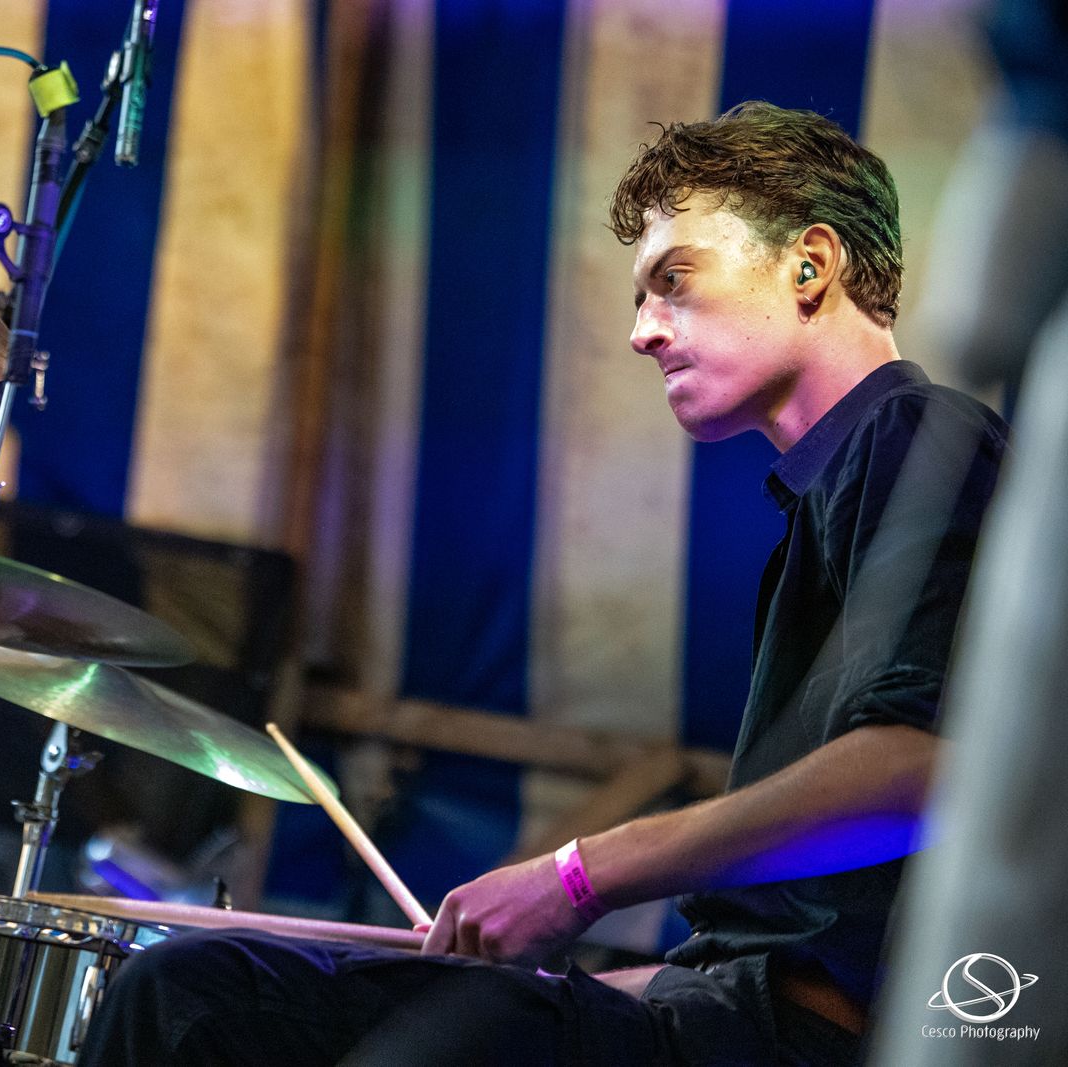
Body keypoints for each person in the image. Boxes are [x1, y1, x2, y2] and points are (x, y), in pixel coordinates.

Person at [77, 102, 1009, 1066]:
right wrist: (536, 969)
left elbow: (921, 768)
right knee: (237, 989)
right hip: (729, 1015)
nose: (642, 332)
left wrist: (576, 876)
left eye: (674, 282)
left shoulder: (918, 435)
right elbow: (751, 963)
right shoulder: (832, 497)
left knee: (194, 997)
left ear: (810, 266)